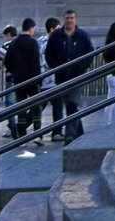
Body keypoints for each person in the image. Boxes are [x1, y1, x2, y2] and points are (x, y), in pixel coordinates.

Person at [44, 9, 94, 143]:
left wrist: (83, 66)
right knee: (69, 105)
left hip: (77, 76)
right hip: (62, 76)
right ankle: (79, 131)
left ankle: (70, 134)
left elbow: (90, 52)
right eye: (67, 18)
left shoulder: (82, 35)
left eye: (72, 18)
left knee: (72, 103)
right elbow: (49, 54)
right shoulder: (56, 36)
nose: (69, 20)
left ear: (75, 19)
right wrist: (56, 67)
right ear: (64, 19)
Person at [3, 18, 43, 143]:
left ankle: (22, 135)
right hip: (32, 79)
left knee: (21, 107)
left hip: (19, 80)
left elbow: (7, 61)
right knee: (36, 107)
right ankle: (37, 133)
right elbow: (36, 63)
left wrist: (15, 71)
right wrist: (39, 80)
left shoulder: (14, 43)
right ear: (31, 28)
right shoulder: (33, 43)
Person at [37, 17, 64, 141]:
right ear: (52, 29)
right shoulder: (52, 42)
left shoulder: (39, 41)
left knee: (40, 106)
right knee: (57, 106)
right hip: (51, 79)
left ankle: (21, 127)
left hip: (42, 79)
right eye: (58, 28)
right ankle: (57, 132)